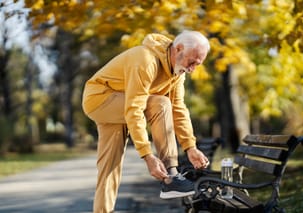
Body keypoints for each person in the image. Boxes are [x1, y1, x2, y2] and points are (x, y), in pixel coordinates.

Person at [82, 30, 211, 213]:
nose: (192, 69)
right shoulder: (146, 60)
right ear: (178, 49)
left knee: (109, 168)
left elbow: (179, 110)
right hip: (100, 98)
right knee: (160, 103)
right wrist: (147, 155)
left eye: (197, 65)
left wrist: (190, 147)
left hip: (120, 101)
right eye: (192, 62)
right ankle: (171, 176)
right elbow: (134, 109)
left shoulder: (177, 73)